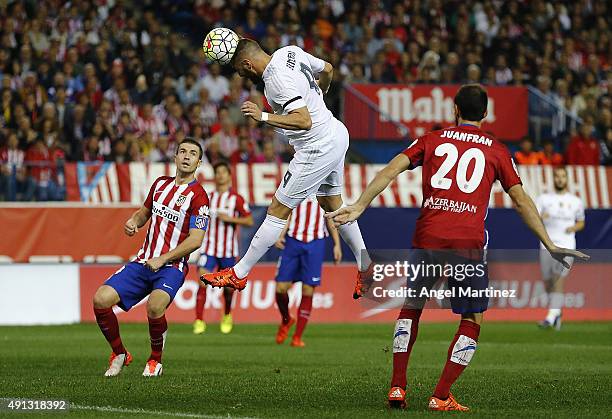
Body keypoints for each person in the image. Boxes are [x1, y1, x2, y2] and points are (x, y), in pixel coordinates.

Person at [327, 84, 589, 411]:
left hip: (428, 237)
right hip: (466, 242)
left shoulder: (432, 140)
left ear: (455, 110)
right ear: (486, 114)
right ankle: (440, 395)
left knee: (411, 306)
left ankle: (397, 387)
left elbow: (391, 168)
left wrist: (361, 204)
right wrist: (549, 243)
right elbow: (521, 200)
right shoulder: (496, 150)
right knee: (473, 316)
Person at [201, 39, 370, 294]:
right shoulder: (289, 52)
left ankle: (239, 273)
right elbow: (328, 69)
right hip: (335, 131)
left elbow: (303, 121)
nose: (241, 75)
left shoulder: (275, 81)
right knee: (333, 205)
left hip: (317, 145)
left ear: (247, 63)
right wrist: (320, 97)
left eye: (239, 69)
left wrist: (263, 116)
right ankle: (366, 266)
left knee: (278, 208)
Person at [92, 138, 210, 377]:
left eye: (193, 153)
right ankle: (119, 353)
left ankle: (155, 360)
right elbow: (144, 213)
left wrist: (163, 258)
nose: (187, 156)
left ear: (198, 162)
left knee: (155, 306)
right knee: (100, 299)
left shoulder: (199, 197)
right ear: (175, 157)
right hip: (143, 261)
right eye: (183, 152)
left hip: (171, 267)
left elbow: (196, 240)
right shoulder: (159, 185)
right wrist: (133, 222)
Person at [274, 195, 342, 348]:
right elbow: (288, 212)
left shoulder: (324, 189)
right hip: (293, 240)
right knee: (280, 288)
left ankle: (297, 337)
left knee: (308, 288)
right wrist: (280, 235)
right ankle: (286, 319)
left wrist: (337, 244)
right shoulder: (300, 184)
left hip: (315, 243)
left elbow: (330, 216)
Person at [194, 161, 253, 335]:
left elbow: (249, 220)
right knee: (202, 280)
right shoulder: (207, 197)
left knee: (228, 287)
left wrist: (230, 219)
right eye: (217, 172)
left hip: (228, 250)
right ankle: (199, 320)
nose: (220, 175)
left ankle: (227, 314)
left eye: (223, 172)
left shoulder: (236, 198)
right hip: (208, 248)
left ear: (229, 176)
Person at [535, 167, 585, 330]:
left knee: (558, 277)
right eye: (557, 176)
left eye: (563, 176)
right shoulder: (543, 199)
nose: (560, 179)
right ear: (554, 178)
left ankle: (550, 317)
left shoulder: (576, 201)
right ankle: (556, 312)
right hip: (546, 244)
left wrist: (573, 228)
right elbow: (534, 217)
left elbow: (581, 222)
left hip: (566, 245)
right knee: (548, 282)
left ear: (567, 179)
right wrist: (541, 217)